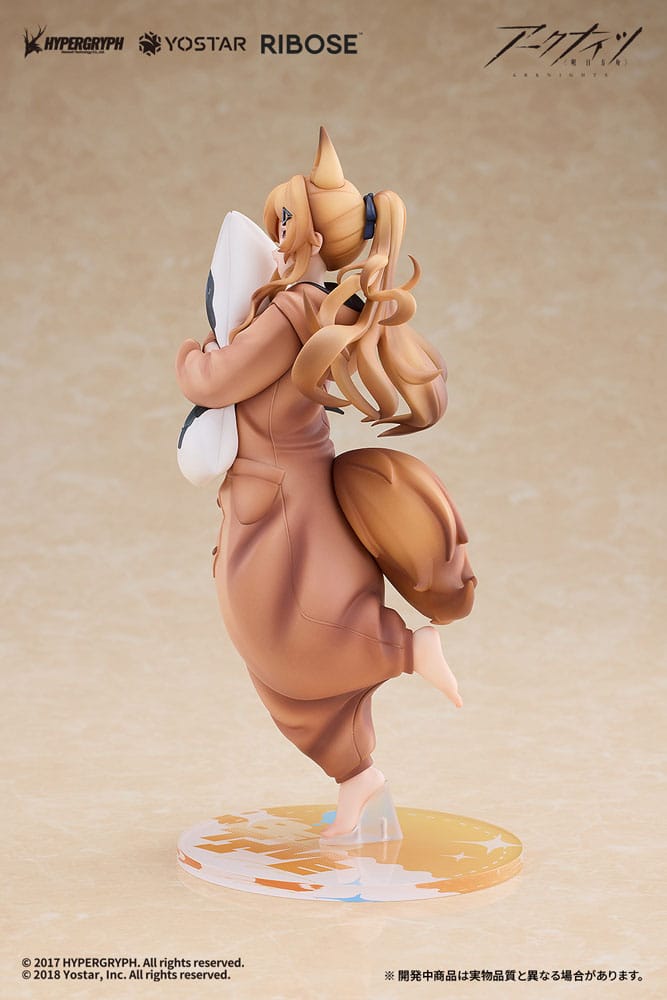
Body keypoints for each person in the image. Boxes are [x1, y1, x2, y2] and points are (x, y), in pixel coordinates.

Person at [175, 128, 475, 840]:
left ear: (303, 232)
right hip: (270, 499)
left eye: (281, 218)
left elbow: (213, 381)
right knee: (274, 668)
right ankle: (358, 781)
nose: (273, 230)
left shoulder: (293, 311)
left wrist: (191, 351)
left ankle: (406, 648)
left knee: (279, 638)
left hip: (283, 506)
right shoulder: (306, 304)